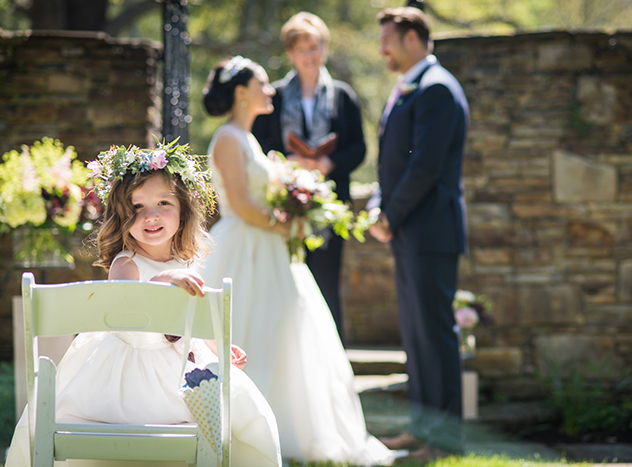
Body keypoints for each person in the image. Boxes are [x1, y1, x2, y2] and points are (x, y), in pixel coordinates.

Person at [5, 143, 281, 467]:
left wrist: (218, 347)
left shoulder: (184, 262)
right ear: (122, 216)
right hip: (129, 378)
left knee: (238, 399)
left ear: (183, 210)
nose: (151, 216)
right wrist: (162, 280)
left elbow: (196, 319)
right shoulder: (127, 264)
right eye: (137, 206)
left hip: (179, 370)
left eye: (163, 203)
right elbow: (126, 316)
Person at [196, 55, 394, 466]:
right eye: (263, 84)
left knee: (284, 333)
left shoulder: (247, 138)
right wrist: (287, 227)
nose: (270, 91)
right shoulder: (229, 139)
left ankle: (283, 429)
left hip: (267, 247)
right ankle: (239, 428)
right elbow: (239, 204)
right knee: (250, 329)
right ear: (240, 93)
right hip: (243, 247)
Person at [367, 6, 470, 461]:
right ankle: (421, 428)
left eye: (387, 39)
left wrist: (389, 216)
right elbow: (389, 163)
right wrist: (376, 204)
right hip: (412, 232)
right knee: (415, 337)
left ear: (412, 38)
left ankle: (445, 441)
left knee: (435, 336)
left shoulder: (438, 90)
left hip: (431, 231)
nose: (382, 48)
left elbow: (424, 166)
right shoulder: (409, 86)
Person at [251, 12, 366, 341]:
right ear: (290, 53)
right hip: (284, 205)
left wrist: (328, 164)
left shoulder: (343, 96)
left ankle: (331, 354)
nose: (309, 55)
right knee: (287, 280)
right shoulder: (273, 96)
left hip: (329, 206)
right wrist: (289, 161)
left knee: (327, 282)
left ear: (324, 48)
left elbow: (359, 148)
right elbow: (259, 145)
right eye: (301, 49)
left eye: (315, 47)